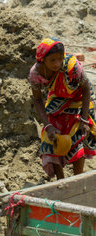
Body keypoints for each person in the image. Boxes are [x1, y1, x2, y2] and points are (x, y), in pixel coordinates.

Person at [30, 38, 96, 180]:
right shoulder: (36, 74)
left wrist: (84, 119)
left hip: (78, 99)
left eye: (60, 59)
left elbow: (86, 89)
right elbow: (37, 99)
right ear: (42, 60)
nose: (57, 64)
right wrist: (47, 126)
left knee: (78, 136)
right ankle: (60, 180)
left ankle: (77, 179)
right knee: (52, 139)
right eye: (52, 60)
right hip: (57, 99)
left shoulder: (72, 66)